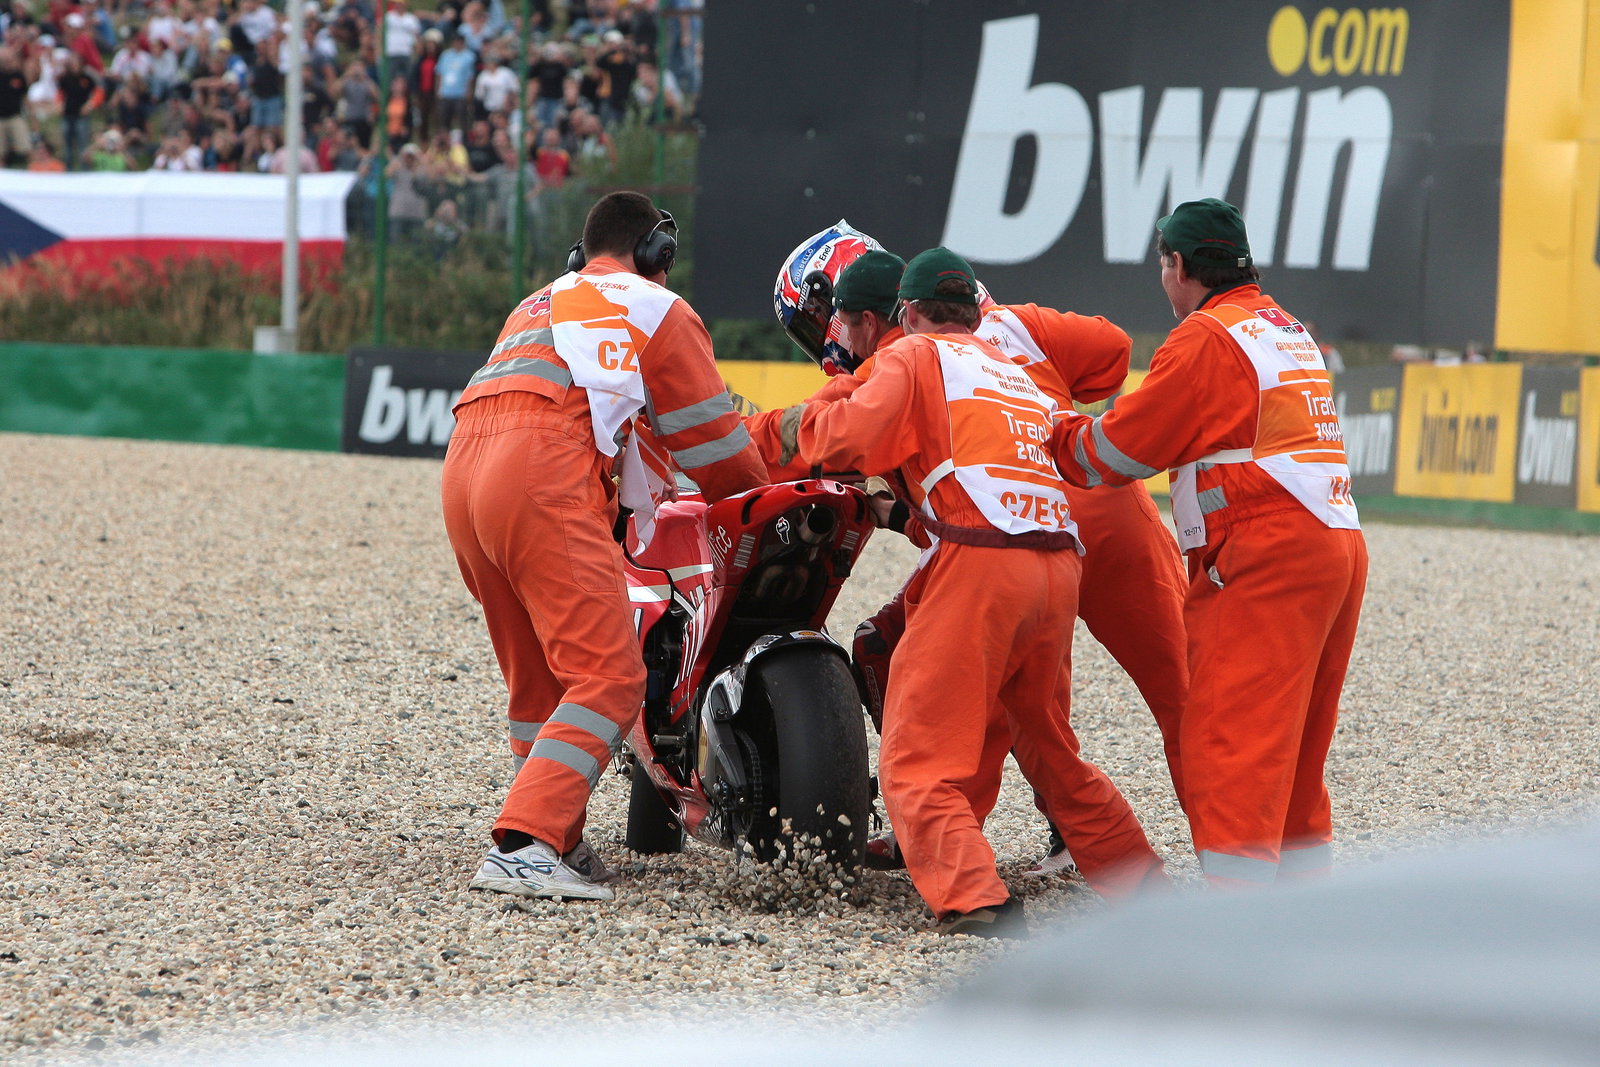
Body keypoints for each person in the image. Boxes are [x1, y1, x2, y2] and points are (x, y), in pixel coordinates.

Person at [759, 224, 1190, 876]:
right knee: (1187, 695)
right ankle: (1241, 862)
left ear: (869, 312)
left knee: (938, 669)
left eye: (829, 318)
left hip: (1000, 535)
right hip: (1100, 506)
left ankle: (944, 835)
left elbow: (812, 442)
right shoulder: (1014, 325)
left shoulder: (898, 357)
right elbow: (1112, 351)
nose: (828, 335)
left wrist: (721, 435)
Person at [441, 191, 766, 902]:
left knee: (542, 684)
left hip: (463, 473)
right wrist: (762, 498)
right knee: (612, 678)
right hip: (538, 472)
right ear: (658, 255)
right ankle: (525, 843)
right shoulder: (655, 307)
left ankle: (561, 834)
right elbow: (716, 448)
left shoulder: (541, 299)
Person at [1048, 198, 1368, 888]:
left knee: (1230, 746)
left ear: (1179, 266)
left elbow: (1116, 451)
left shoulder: (1203, 338)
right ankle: (1309, 910)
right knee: (1295, 753)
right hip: (1337, 540)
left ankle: (1237, 936)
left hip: (1265, 551)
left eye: (1163, 267)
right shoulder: (1285, 326)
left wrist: (1054, 431)